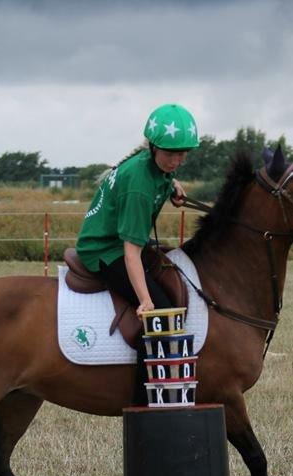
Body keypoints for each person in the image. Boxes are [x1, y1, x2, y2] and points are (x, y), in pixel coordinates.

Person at [75, 103, 199, 404]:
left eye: (182, 153)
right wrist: (146, 300)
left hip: (122, 243)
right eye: (171, 153)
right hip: (105, 250)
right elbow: (130, 253)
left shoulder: (153, 166)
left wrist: (173, 185)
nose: (176, 160)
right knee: (162, 311)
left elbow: (162, 175)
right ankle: (143, 399)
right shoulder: (139, 187)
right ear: (153, 147)